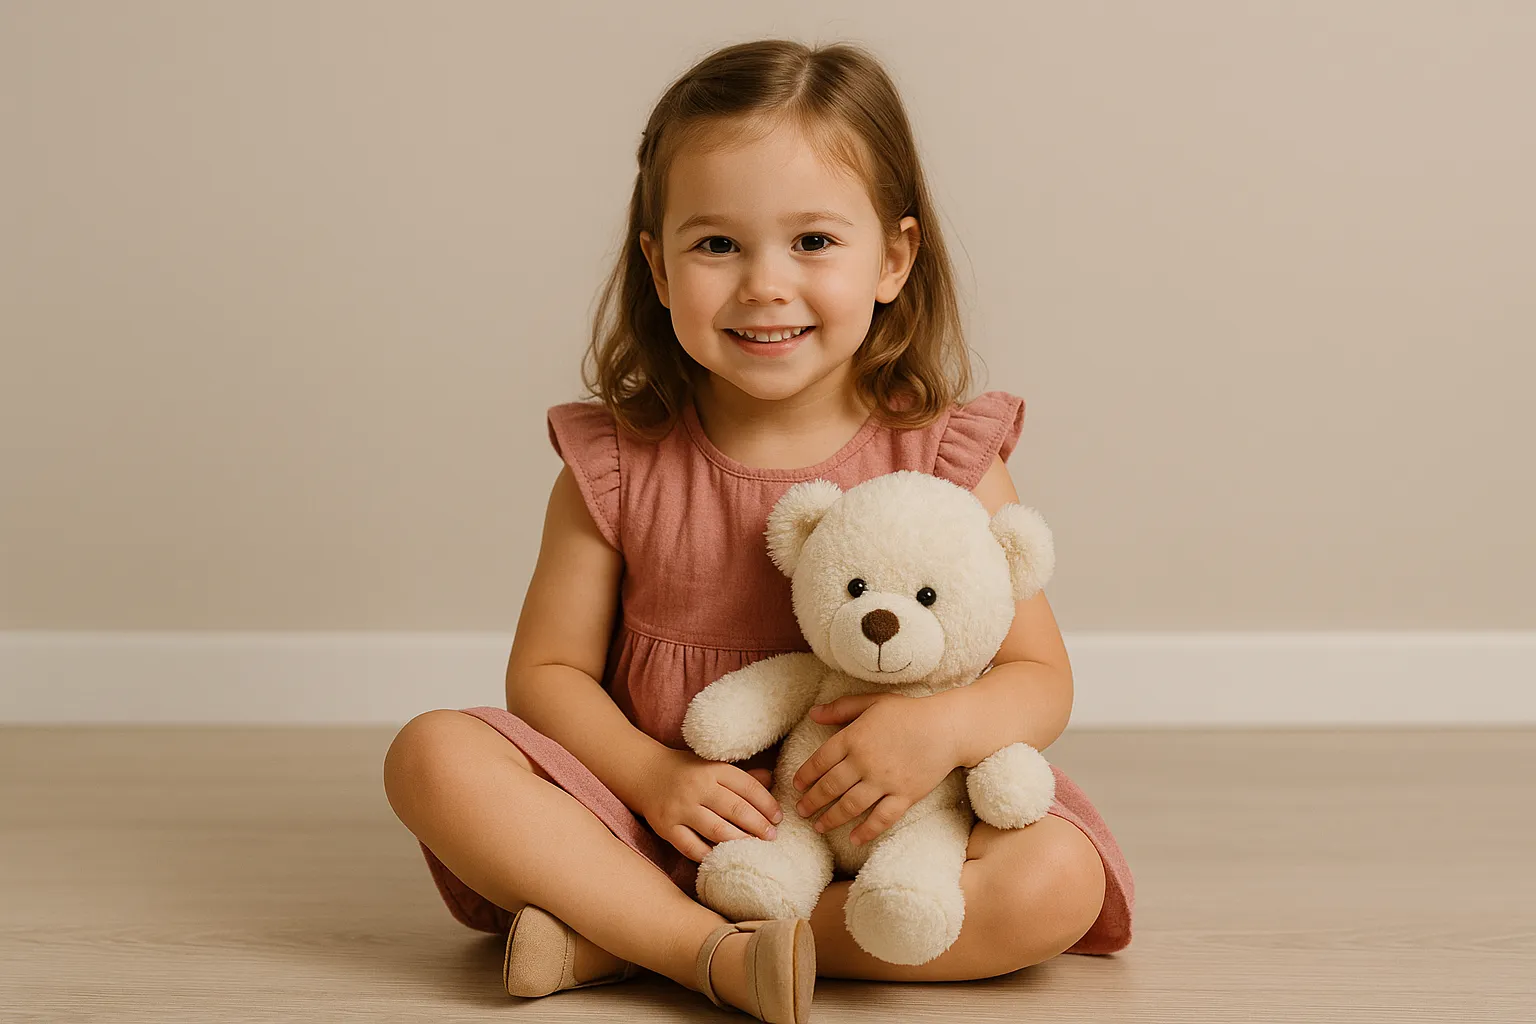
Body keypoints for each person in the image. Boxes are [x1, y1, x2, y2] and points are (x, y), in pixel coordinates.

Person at [382, 37, 1134, 1024]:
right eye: (717, 245)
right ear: (657, 265)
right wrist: (654, 779)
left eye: (813, 242)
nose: (764, 284)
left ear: (893, 258)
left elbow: (1042, 679)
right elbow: (547, 676)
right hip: (656, 819)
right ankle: (696, 940)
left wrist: (939, 729)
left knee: (1055, 880)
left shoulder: (942, 454)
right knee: (432, 752)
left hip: (877, 825)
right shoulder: (618, 463)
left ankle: (633, 937)